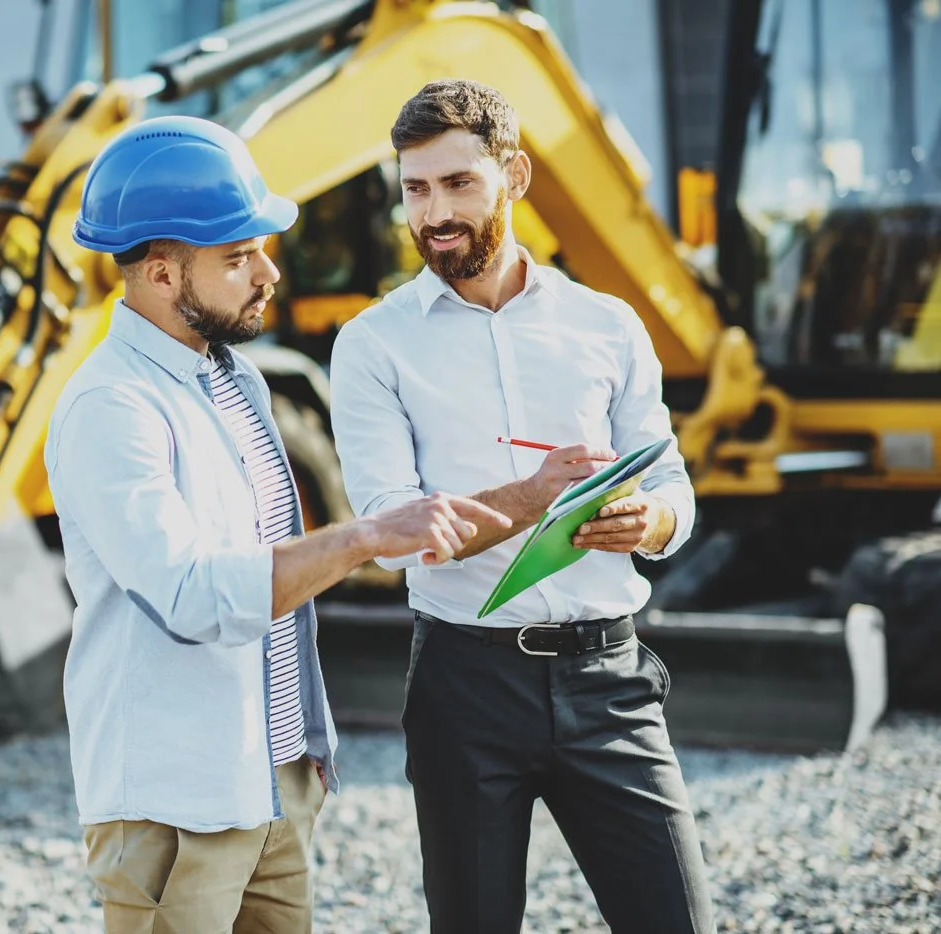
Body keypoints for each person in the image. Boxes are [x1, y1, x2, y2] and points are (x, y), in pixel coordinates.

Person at [44, 114, 510, 934]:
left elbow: (270, 571)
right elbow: (191, 595)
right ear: (159, 273)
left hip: (272, 781)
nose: (268, 274)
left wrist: (304, 756)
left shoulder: (237, 384)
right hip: (175, 808)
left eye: (262, 247)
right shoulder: (111, 408)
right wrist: (364, 537)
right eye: (237, 258)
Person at [328, 80, 717, 933]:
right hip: (464, 686)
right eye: (415, 189)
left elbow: (672, 489)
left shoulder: (608, 326)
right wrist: (531, 497)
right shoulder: (371, 346)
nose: (434, 213)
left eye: (458, 183)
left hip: (609, 682)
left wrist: (647, 522)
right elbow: (394, 535)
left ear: (516, 175)